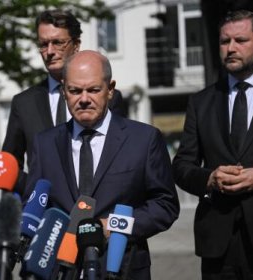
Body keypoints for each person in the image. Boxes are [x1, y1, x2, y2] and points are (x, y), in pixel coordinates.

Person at [24, 50, 179, 279]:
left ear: (110, 89)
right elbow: (35, 205)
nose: (84, 99)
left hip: (122, 269)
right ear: (64, 90)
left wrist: (114, 225)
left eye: (93, 90)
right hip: (61, 271)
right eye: (75, 90)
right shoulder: (44, 143)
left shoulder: (143, 139)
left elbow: (165, 205)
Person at [172, 10, 253, 279]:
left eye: (240, 40)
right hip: (218, 246)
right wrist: (210, 179)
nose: (231, 48)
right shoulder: (201, 102)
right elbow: (182, 165)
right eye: (224, 41)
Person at [2, 9, 126, 195]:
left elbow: (119, 156)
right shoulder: (24, 103)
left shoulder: (109, 97)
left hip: (96, 209)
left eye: (58, 43)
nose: (49, 52)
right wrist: (37, 189)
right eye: (43, 44)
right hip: (44, 215)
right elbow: (9, 164)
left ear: (76, 45)